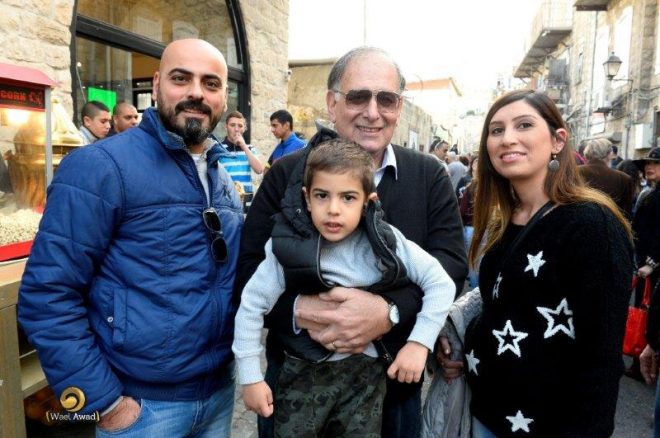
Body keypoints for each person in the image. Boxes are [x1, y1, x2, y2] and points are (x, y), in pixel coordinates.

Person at [235, 46, 467, 438]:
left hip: (392, 384)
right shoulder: (287, 173)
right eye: (358, 97)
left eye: (386, 99)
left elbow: (450, 266)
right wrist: (300, 309)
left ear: (398, 107)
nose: (373, 112)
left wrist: (389, 311)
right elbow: (249, 272)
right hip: (294, 383)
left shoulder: (429, 175)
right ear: (332, 103)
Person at [18, 38, 244, 437]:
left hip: (218, 396)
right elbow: (48, 293)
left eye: (211, 83)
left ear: (224, 97)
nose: (196, 92)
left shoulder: (221, 177)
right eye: (181, 78)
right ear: (156, 85)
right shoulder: (99, 167)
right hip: (140, 409)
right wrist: (102, 402)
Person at [436, 90, 633, 437]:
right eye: (496, 130)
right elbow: (506, 307)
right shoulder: (505, 219)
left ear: (558, 141)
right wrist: (462, 342)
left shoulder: (591, 224)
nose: (507, 138)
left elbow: (600, 357)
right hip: (484, 412)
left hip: (549, 426)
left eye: (524, 125)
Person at [578, 138, 634, 217]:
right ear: (609, 154)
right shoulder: (624, 178)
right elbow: (626, 213)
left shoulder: (574, 172)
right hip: (612, 223)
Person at [220, 110, 265, 195]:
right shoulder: (219, 148)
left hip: (246, 198)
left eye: (240, 126)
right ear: (226, 127)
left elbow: (259, 170)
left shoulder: (249, 148)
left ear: (244, 129)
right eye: (232, 125)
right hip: (226, 198)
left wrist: (244, 146)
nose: (236, 129)